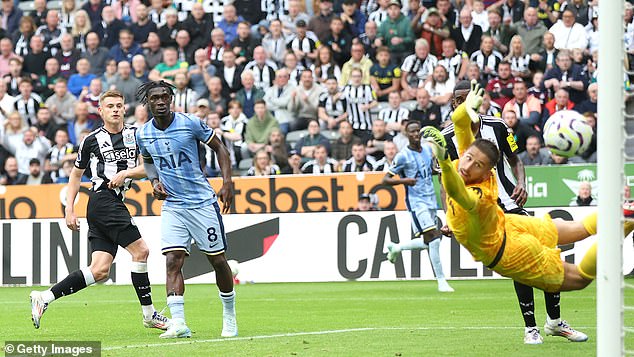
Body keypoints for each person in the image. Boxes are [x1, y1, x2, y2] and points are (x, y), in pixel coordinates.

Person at [427, 80, 594, 343]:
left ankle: (555, 320)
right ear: (453, 104)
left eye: (467, 98)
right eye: (458, 100)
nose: (462, 103)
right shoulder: (448, 137)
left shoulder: (497, 125)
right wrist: (448, 216)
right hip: (480, 211)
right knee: (520, 265)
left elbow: (515, 160)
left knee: (547, 249)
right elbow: (449, 186)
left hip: (510, 203)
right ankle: (531, 327)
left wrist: (522, 183)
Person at [29, 90, 170, 332]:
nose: (115, 109)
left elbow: (150, 166)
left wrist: (127, 173)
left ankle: (44, 297)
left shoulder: (137, 135)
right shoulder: (91, 140)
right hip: (103, 201)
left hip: (108, 203)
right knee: (141, 251)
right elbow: (75, 175)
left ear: (125, 109)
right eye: (110, 106)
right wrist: (69, 209)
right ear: (101, 111)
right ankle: (149, 314)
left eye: (119, 105)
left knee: (100, 270)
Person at [135, 80, 237, 338]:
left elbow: (221, 149)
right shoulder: (143, 133)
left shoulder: (189, 123)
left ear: (171, 99)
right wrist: (154, 181)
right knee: (172, 260)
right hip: (173, 206)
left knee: (217, 260)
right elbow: (147, 161)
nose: (159, 102)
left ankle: (229, 315)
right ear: (147, 102)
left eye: (164, 97)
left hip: (202, 202)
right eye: (154, 98)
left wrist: (227, 182)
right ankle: (179, 323)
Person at [382, 120, 454, 293]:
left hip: (430, 200)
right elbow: (385, 179)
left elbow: (429, 170)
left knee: (429, 241)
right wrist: (405, 180)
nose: (415, 134)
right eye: (411, 132)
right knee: (434, 238)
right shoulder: (402, 156)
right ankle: (441, 281)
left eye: (417, 131)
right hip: (416, 204)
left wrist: (441, 171)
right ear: (407, 135)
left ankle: (397, 247)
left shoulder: (428, 151)